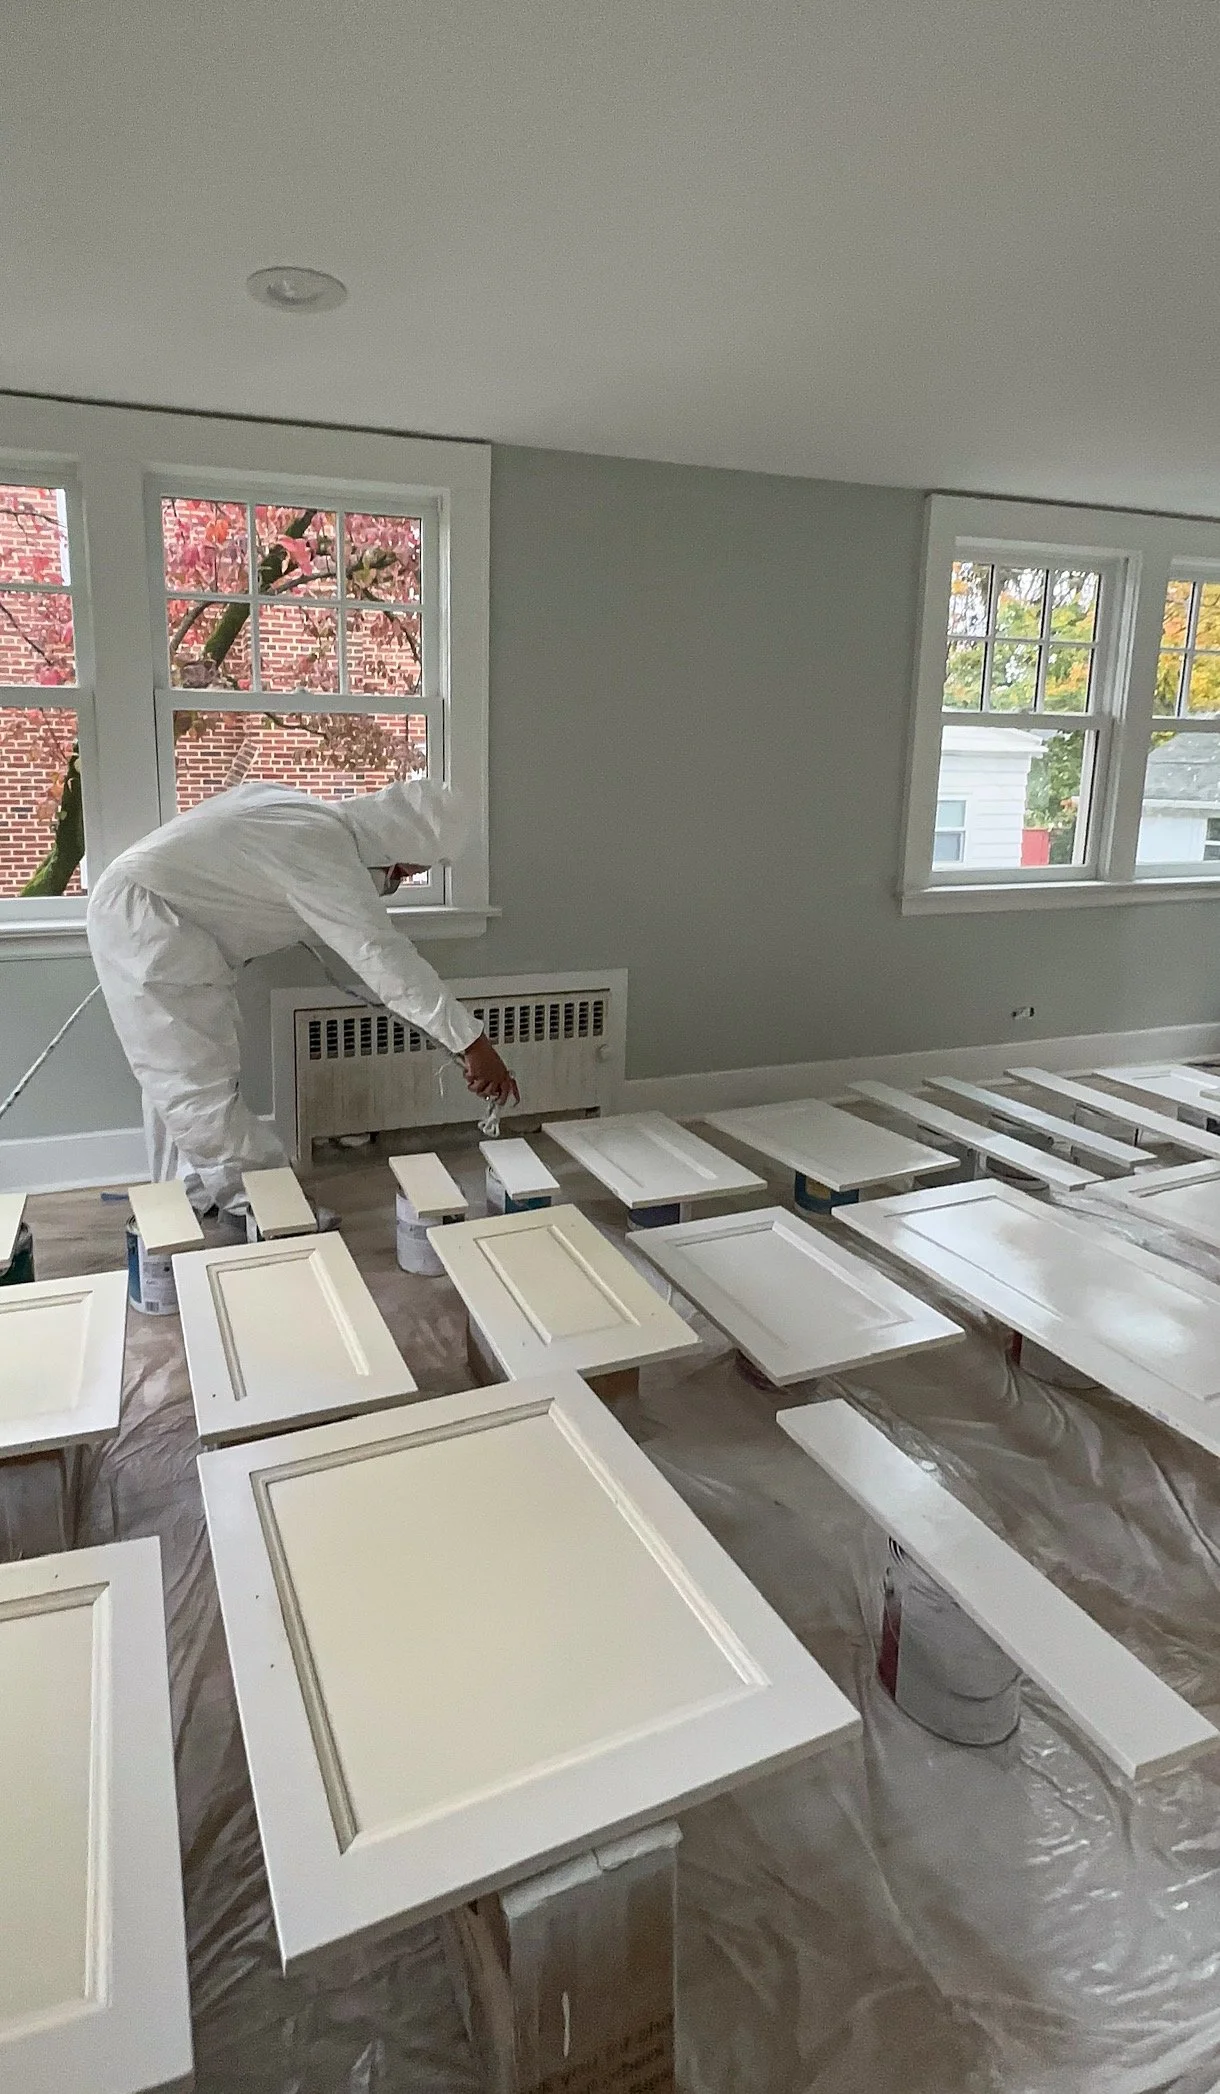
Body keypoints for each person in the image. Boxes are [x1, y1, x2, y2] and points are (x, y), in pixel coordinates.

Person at [86, 778, 517, 1219]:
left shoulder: (309, 818)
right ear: (387, 847)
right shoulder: (321, 848)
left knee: (183, 1069)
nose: (396, 886)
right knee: (193, 1080)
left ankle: (189, 1191)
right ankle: (271, 1209)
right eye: (401, 873)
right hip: (149, 920)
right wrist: (473, 1043)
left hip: (164, 921)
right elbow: (383, 958)